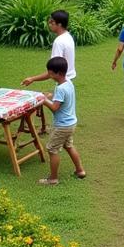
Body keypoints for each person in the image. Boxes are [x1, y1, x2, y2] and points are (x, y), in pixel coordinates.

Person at [22, 9, 77, 132]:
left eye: (52, 22)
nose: (49, 24)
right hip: (69, 80)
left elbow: (52, 71)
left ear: (59, 24)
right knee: (58, 103)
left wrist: (32, 79)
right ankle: (43, 126)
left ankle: (32, 125)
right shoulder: (68, 37)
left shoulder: (59, 42)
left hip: (63, 80)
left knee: (41, 99)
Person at [37, 56, 86, 185]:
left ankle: (53, 179)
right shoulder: (68, 82)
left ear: (58, 73)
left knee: (52, 149)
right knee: (68, 145)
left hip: (62, 126)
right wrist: (50, 96)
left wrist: (43, 100)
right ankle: (80, 171)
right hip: (71, 123)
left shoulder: (60, 88)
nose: (49, 75)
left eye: (50, 73)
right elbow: (61, 99)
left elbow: (54, 108)